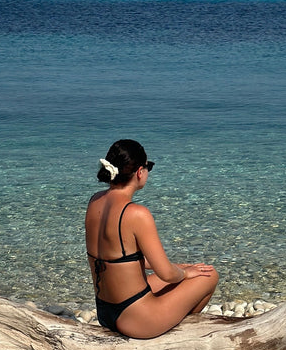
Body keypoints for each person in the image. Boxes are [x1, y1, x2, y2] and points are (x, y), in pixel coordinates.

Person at [85, 139, 219, 338]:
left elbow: (121, 260)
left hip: (106, 311)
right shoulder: (136, 214)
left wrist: (182, 268)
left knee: (184, 267)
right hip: (137, 320)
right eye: (149, 167)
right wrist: (184, 274)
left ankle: (168, 319)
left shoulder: (95, 200)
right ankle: (174, 335)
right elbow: (166, 274)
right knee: (208, 275)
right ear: (140, 172)